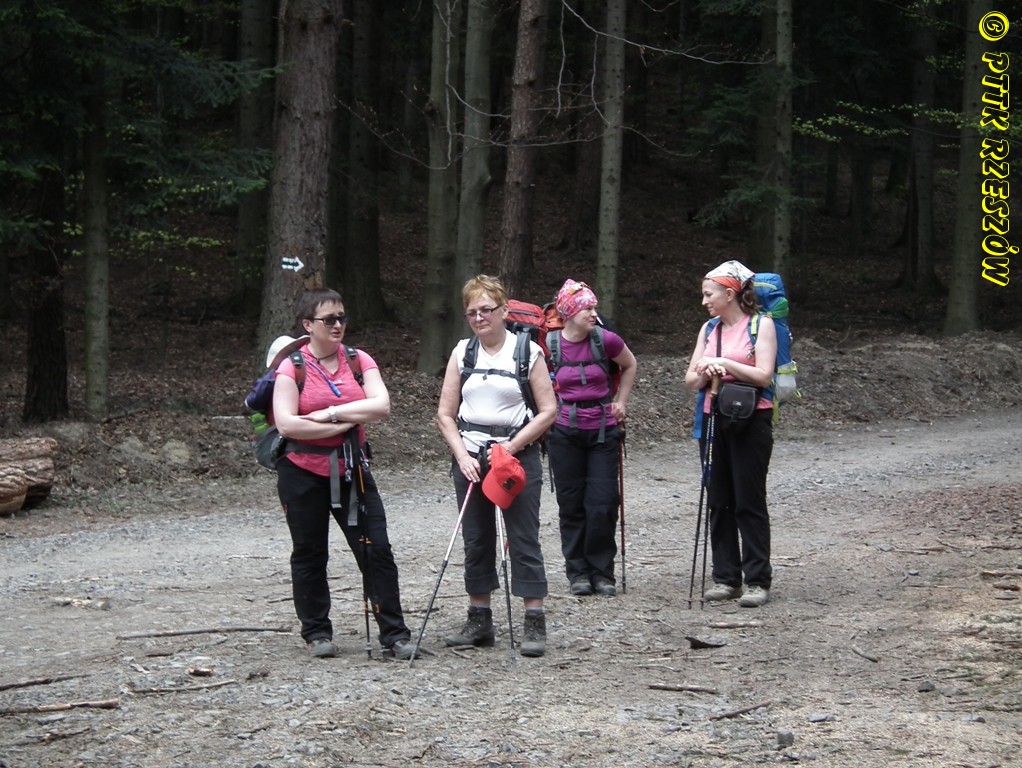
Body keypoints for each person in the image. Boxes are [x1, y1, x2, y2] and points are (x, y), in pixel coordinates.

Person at [272, 287, 420, 659]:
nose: (338, 325)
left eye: (342, 317)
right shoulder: (292, 367)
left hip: (352, 468)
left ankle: (395, 635)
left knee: (377, 549)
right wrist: (348, 420)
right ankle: (317, 633)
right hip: (301, 472)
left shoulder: (358, 360)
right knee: (310, 552)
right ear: (308, 325)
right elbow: (287, 425)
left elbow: (381, 406)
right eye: (329, 320)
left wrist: (329, 415)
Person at [436, 275, 557, 657]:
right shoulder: (462, 353)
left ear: (504, 311)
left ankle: (534, 621)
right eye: (471, 312)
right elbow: (445, 414)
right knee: (476, 538)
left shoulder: (527, 352)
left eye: (486, 310)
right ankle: (479, 620)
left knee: (523, 536)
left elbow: (548, 410)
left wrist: (512, 446)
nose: (479, 318)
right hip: (471, 457)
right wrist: (462, 456)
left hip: (516, 458)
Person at [684, 260, 777, 608]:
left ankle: (757, 580)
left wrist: (724, 365)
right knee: (719, 499)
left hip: (752, 420)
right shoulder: (709, 328)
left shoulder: (761, 325)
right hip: (713, 418)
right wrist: (706, 370)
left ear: (729, 293)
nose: (704, 301)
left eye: (709, 294)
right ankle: (726, 578)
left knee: (749, 499)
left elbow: (764, 375)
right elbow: (691, 380)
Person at [546, 279, 637, 598]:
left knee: (603, 502)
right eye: (588, 308)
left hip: (602, 430)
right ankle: (578, 573)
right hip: (563, 433)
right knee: (571, 504)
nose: (594, 314)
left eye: (595, 307)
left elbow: (629, 365)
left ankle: (602, 572)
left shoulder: (605, 339)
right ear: (570, 312)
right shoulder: (550, 345)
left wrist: (621, 401)